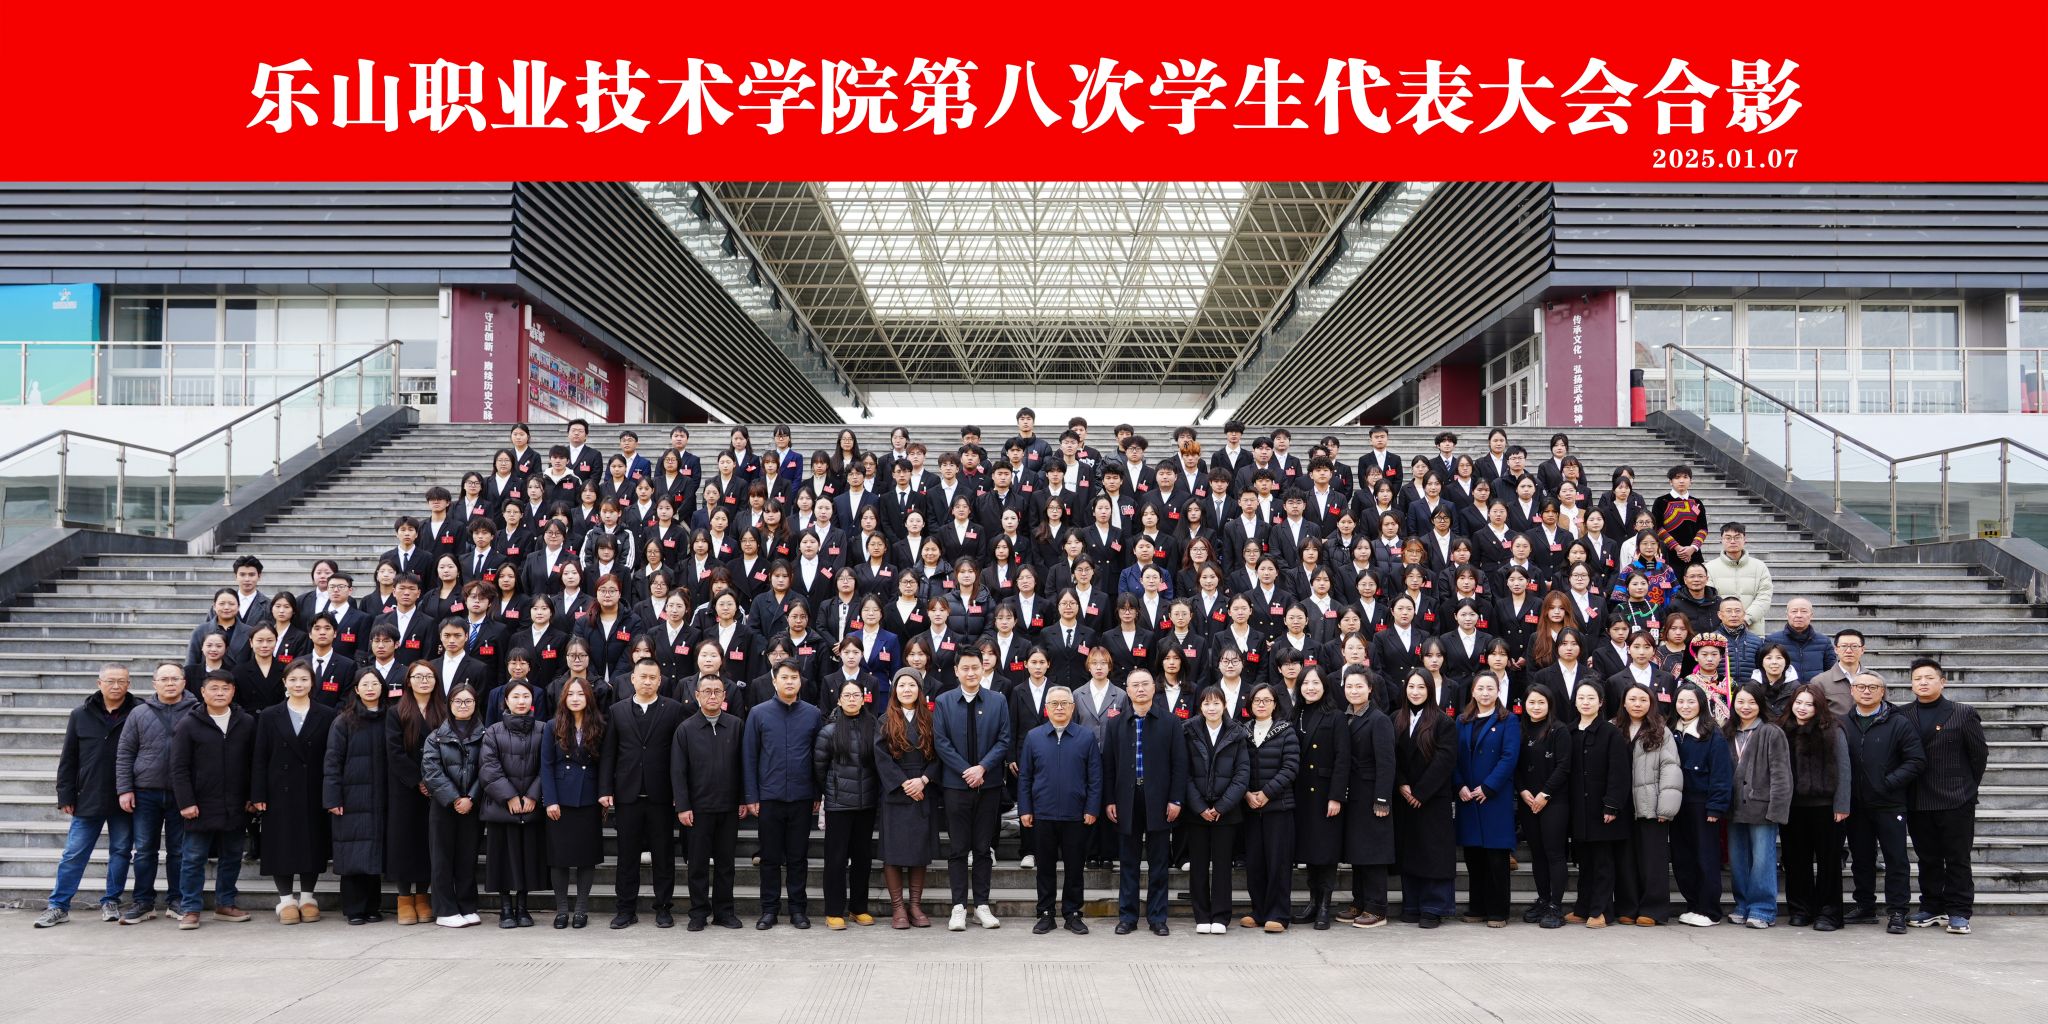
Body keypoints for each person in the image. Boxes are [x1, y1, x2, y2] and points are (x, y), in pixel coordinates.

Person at [37, 664, 135, 928]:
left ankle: (111, 901)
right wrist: (65, 794)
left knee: (121, 851)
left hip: (125, 796)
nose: (116, 686)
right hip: (88, 795)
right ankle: (58, 906)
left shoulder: (139, 712)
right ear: (99, 683)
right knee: (74, 853)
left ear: (129, 684)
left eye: (122, 681)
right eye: (110, 681)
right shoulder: (80, 714)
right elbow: (68, 758)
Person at [1903, 657, 1989, 935]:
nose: (1923, 682)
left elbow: (1979, 755)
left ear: (1943, 682)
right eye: (1917, 678)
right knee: (1927, 857)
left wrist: (1967, 788)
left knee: (1957, 858)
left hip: (1956, 799)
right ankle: (1931, 906)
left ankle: (1959, 911)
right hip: (1918, 798)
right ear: (1911, 684)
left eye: (1929, 678)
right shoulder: (1902, 714)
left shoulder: (1963, 713)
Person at [1101, 667, 1187, 936]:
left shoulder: (1171, 722)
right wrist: (1110, 799)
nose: (1140, 689)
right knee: (1128, 862)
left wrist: (1176, 799)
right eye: (1135, 685)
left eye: (1145, 684)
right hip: (1126, 799)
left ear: (1154, 688)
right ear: (1127, 690)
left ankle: (1157, 917)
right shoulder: (1116, 724)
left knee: (1159, 862)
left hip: (1159, 800)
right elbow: (1108, 766)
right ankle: (1127, 917)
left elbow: (1179, 765)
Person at [601, 660, 686, 928]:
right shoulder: (617, 711)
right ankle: (625, 909)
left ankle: (664, 907)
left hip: (662, 795)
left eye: (652, 677)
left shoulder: (673, 709)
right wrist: (605, 789)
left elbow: (680, 754)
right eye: (643, 677)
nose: (647, 681)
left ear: (660, 681)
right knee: (627, 856)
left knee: (663, 855)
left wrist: (680, 792)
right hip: (627, 795)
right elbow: (609, 753)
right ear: (632, 679)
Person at [249, 662, 336, 926]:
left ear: (312, 683)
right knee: (281, 844)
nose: (298, 684)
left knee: (312, 843)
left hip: (313, 788)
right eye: (293, 679)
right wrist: (258, 793)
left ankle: (308, 898)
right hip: (278, 790)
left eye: (304, 679)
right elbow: (260, 757)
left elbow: (331, 756)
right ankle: (286, 900)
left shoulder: (327, 714)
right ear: (284, 682)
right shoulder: (270, 715)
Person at [170, 670, 257, 929]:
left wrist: (252, 796)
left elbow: (254, 763)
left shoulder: (246, 722)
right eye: (214, 688)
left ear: (233, 691)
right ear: (203, 692)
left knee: (232, 856)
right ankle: (190, 908)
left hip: (235, 803)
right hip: (200, 804)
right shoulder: (188, 724)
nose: (220, 693)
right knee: (193, 858)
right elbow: (178, 767)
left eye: (225, 688)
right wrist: (186, 802)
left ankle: (225, 903)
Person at [742, 662, 825, 929]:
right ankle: (769, 910)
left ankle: (798, 910)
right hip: (769, 797)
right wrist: (751, 795)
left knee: (798, 858)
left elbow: (818, 758)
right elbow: (749, 756)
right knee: (770, 858)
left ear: (801, 681)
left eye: (794, 677)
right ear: (774, 682)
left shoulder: (813, 714)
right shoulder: (758, 713)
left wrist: (816, 792)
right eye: (784, 677)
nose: (790, 682)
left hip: (802, 797)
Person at [1842, 670, 1925, 934]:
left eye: (1873, 687)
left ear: (1882, 692)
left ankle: (1898, 911)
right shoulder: (1842, 723)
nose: (1866, 691)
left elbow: (1916, 760)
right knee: (1861, 858)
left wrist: (1888, 783)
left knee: (1896, 859)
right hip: (1856, 804)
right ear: (1852, 691)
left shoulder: (1899, 723)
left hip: (1890, 803)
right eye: (1861, 686)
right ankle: (1865, 905)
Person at [931, 653, 1010, 931]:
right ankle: (958, 907)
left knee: (983, 848)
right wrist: (967, 770)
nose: (971, 672)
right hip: (956, 785)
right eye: (965, 668)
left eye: (975, 667)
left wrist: (982, 768)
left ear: (983, 669)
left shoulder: (998, 701)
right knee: (958, 848)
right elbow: (941, 742)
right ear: (956, 671)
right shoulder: (944, 701)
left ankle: (982, 906)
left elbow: (1004, 740)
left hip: (988, 785)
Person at [1016, 684, 1102, 935]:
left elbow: (1095, 777)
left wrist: (1092, 807)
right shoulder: (1034, 737)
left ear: (1073, 707)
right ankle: (1045, 913)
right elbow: (1025, 777)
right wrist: (1025, 809)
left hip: (1077, 815)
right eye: (1054, 703)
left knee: (1075, 868)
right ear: (1046, 708)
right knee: (1044, 867)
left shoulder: (1086, 737)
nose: (1060, 707)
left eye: (1065, 703)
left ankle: (1073, 913)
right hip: (1042, 813)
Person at [116, 662, 196, 924]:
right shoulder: (139, 713)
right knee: (144, 850)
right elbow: (125, 752)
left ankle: (177, 900)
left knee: (179, 851)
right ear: (154, 684)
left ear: (184, 682)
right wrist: (125, 789)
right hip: (145, 791)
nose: (170, 683)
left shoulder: (197, 711)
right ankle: (143, 901)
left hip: (182, 793)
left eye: (175, 678)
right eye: (164, 679)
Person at [670, 673, 746, 931]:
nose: (712, 696)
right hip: (698, 809)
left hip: (728, 807)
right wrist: (683, 806)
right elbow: (678, 771)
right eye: (707, 692)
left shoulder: (736, 725)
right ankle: (698, 913)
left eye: (717, 691)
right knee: (697, 865)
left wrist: (743, 799)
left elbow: (744, 765)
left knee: (726, 864)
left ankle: (724, 912)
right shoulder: (686, 729)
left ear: (725, 695)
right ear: (697, 695)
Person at [1779, 682, 1851, 930]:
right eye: (1798, 703)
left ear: (1818, 706)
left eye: (1809, 704)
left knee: (1828, 862)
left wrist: (1842, 804)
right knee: (1795, 861)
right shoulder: (1782, 729)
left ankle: (1829, 913)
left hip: (1826, 807)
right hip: (1792, 807)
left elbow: (1844, 769)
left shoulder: (1832, 729)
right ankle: (1801, 909)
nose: (1802, 708)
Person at [812, 677, 881, 930]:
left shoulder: (874, 728)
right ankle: (833, 911)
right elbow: (819, 769)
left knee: (863, 859)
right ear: (839, 700)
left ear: (864, 699)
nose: (852, 699)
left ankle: (858, 908)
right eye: (847, 696)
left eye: (856, 695)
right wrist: (833, 790)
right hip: (839, 805)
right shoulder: (829, 731)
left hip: (866, 804)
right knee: (836, 860)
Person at [1454, 670, 1520, 928]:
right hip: (1468, 797)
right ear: (1473, 691)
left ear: (1498, 692)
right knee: (1474, 857)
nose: (1485, 693)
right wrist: (1459, 784)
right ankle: (1478, 906)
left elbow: (1509, 757)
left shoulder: (1508, 720)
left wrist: (1489, 786)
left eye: (1490, 688)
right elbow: (1454, 756)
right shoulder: (1462, 720)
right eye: (1480, 688)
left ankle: (1498, 911)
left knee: (1496, 858)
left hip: (1494, 798)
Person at [1613, 681, 1682, 927]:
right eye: (1632, 699)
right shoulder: (1613, 727)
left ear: (1651, 703)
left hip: (1651, 805)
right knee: (1625, 859)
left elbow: (1670, 768)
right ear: (1624, 702)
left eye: (1643, 699)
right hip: (1622, 806)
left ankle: (1653, 909)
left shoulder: (1661, 731)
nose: (1637, 704)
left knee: (1653, 859)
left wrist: (1666, 807)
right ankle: (1627, 907)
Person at [324, 671, 390, 925]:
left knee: (374, 852)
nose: (370, 688)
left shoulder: (390, 718)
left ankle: (373, 906)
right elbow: (332, 762)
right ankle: (354, 908)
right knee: (352, 853)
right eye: (365, 684)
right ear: (356, 689)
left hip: (381, 796)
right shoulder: (343, 721)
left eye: (375, 683)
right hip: (351, 797)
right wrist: (332, 798)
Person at [1392, 670, 1457, 927]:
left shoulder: (1443, 721)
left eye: (1421, 687)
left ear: (1430, 689)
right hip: (1404, 796)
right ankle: (1412, 904)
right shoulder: (1396, 718)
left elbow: (1445, 760)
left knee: (1433, 852)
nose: (1415, 692)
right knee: (1410, 851)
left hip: (1432, 798)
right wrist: (1402, 784)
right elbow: (1391, 756)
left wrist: (1421, 792)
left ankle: (1434, 907)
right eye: (1411, 687)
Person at [481, 680, 547, 928]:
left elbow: (547, 766)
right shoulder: (493, 731)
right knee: (502, 857)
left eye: (526, 696)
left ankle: (523, 907)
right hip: (501, 806)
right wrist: (508, 795)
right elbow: (488, 767)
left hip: (531, 805)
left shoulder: (544, 729)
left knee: (526, 857)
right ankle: (505, 908)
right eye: (516, 697)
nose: (521, 701)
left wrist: (532, 795)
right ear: (506, 701)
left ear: (533, 701)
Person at [1183, 686, 1249, 934]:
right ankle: (1201, 915)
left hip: (1226, 812)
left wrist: (1221, 806)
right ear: (1200, 706)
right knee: (1198, 866)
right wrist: (1200, 806)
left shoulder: (1237, 733)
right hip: (1196, 811)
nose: (1211, 708)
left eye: (1216, 703)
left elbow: (1242, 774)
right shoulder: (1188, 731)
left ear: (1224, 705)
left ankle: (1220, 916)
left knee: (1222, 867)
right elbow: (1184, 773)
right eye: (1206, 703)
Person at [1726, 683, 1792, 928]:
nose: (1746, 707)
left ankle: (1763, 909)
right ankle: (1742, 904)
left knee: (1762, 860)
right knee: (1738, 860)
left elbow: (1781, 774)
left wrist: (1777, 810)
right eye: (1741, 702)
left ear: (1761, 704)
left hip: (1762, 807)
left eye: (1752, 702)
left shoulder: (1771, 732)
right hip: (1733, 807)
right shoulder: (1727, 731)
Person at [420, 682, 486, 928]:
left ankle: (467, 906)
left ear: (475, 704)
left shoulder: (485, 735)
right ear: (449, 705)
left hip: (473, 805)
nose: (463, 705)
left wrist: (472, 798)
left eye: (468, 701)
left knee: (468, 857)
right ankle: (445, 909)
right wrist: (455, 798)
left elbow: (488, 769)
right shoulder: (435, 736)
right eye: (458, 701)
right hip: (444, 805)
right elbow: (431, 771)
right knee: (442, 858)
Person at [1565, 680, 1630, 928]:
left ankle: (1601, 910)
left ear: (1601, 702)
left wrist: (1612, 805)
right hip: (1578, 810)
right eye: (1581, 697)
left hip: (1602, 809)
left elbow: (1619, 773)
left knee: (1603, 863)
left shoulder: (1611, 733)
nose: (1585, 702)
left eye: (1591, 698)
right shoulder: (1569, 732)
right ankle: (1583, 908)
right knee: (1584, 862)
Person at [1333, 668, 1395, 928]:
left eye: (1359, 686)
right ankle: (1359, 902)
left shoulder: (1379, 719)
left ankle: (1377, 908)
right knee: (1358, 852)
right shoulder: (1345, 716)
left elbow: (1386, 763)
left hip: (1372, 795)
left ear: (1370, 688)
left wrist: (1382, 799)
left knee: (1374, 853)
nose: (1354, 691)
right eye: (1349, 686)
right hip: (1354, 796)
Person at [385, 661, 446, 925]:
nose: (424, 681)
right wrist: (418, 780)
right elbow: (394, 752)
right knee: (404, 842)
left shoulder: (443, 710)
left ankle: (423, 896)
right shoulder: (396, 711)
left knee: (427, 842)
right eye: (418, 677)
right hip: (406, 787)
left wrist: (433, 781)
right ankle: (404, 898)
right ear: (408, 681)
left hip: (437, 787)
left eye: (429, 676)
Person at [544, 677, 605, 929]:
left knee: (586, 856)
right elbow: (546, 765)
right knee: (559, 857)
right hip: (561, 799)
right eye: (571, 694)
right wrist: (550, 800)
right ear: (564, 698)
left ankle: (581, 909)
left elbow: (605, 763)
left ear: (588, 697)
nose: (576, 698)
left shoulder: (599, 725)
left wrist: (604, 794)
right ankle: (561, 910)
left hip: (589, 798)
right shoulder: (552, 725)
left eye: (580, 694)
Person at [1669, 685, 1732, 927]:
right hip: (1677, 804)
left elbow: (1721, 774)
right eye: (1681, 701)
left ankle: (1710, 910)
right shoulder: (1670, 731)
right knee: (1683, 858)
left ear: (1701, 704)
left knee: (1705, 858)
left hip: (1702, 805)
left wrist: (1716, 807)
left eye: (1691, 702)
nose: (1685, 706)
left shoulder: (1712, 734)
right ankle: (1694, 905)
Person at [1514, 684, 1571, 928]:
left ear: (1549, 705)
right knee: (1537, 853)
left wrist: (1544, 794)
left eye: (1541, 702)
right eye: (1531, 702)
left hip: (1554, 801)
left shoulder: (1559, 730)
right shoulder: (1519, 729)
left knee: (1554, 853)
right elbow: (1514, 765)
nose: (1536, 707)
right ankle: (1543, 899)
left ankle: (1556, 906)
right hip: (1528, 800)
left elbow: (1564, 766)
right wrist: (1523, 791)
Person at [1705, 522, 1773, 631]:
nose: (1732, 541)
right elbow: (1710, 599)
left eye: (1737, 537)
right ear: (1721, 540)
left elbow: (1764, 597)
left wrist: (1746, 619)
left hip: (1752, 629)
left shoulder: (1759, 567)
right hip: (1721, 630)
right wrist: (1728, 620)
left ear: (1744, 539)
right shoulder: (1709, 568)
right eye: (1728, 538)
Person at [1765, 598, 1837, 681]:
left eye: (1804, 611)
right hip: (1784, 688)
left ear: (1811, 615)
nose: (1799, 615)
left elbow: (1832, 672)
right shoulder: (1772, 640)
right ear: (1787, 615)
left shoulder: (1824, 642)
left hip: (1815, 688)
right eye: (1794, 611)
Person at [1811, 628, 1876, 717]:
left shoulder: (1875, 679)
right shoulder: (1820, 682)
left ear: (1862, 650)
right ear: (1836, 649)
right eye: (1844, 646)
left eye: (1854, 646)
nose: (1849, 651)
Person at [1652, 465, 1707, 570]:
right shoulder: (1661, 501)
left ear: (1690, 481)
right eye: (1677, 477)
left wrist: (1693, 548)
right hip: (1669, 555)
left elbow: (1703, 529)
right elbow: (1657, 527)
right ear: (1670, 481)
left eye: (1685, 477)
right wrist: (1677, 548)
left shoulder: (1697, 502)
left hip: (1693, 555)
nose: (1681, 481)